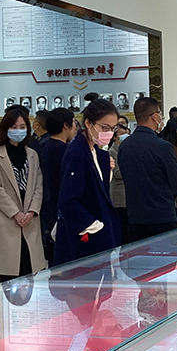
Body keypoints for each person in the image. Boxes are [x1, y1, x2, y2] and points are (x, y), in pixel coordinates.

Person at [54, 93, 121, 266]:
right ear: (88, 123)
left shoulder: (97, 152)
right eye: (104, 127)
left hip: (100, 230)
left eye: (113, 128)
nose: (109, 133)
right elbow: (68, 200)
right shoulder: (77, 152)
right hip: (85, 238)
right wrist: (95, 226)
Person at [0, 105, 46, 283]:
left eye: (22, 127)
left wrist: (32, 211)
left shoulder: (32, 154)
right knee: (6, 276)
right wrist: (15, 213)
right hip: (5, 219)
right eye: (13, 127)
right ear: (5, 129)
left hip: (29, 220)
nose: (18, 130)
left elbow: (38, 186)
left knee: (30, 272)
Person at [119, 98, 177, 241]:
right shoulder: (162, 146)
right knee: (166, 255)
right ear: (154, 116)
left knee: (138, 255)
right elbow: (175, 180)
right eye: (160, 113)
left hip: (135, 216)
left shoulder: (124, 146)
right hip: (162, 215)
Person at [39, 107, 75, 263]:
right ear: (66, 125)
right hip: (60, 206)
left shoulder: (44, 146)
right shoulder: (64, 151)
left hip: (46, 205)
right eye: (73, 122)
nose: (75, 127)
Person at [109, 123, 130, 244]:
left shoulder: (127, 149)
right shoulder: (112, 151)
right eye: (122, 134)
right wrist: (132, 170)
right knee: (121, 228)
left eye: (126, 133)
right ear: (115, 137)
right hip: (119, 196)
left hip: (129, 196)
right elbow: (116, 173)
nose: (125, 136)